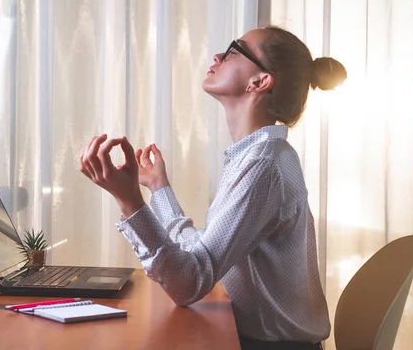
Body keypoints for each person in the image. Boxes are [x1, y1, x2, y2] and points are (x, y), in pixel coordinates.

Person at [79, 26, 347, 350]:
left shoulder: (263, 165)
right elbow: (201, 257)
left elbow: (190, 282)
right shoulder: (258, 156)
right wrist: (158, 188)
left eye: (235, 50)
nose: (218, 56)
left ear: (259, 82)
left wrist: (130, 202)